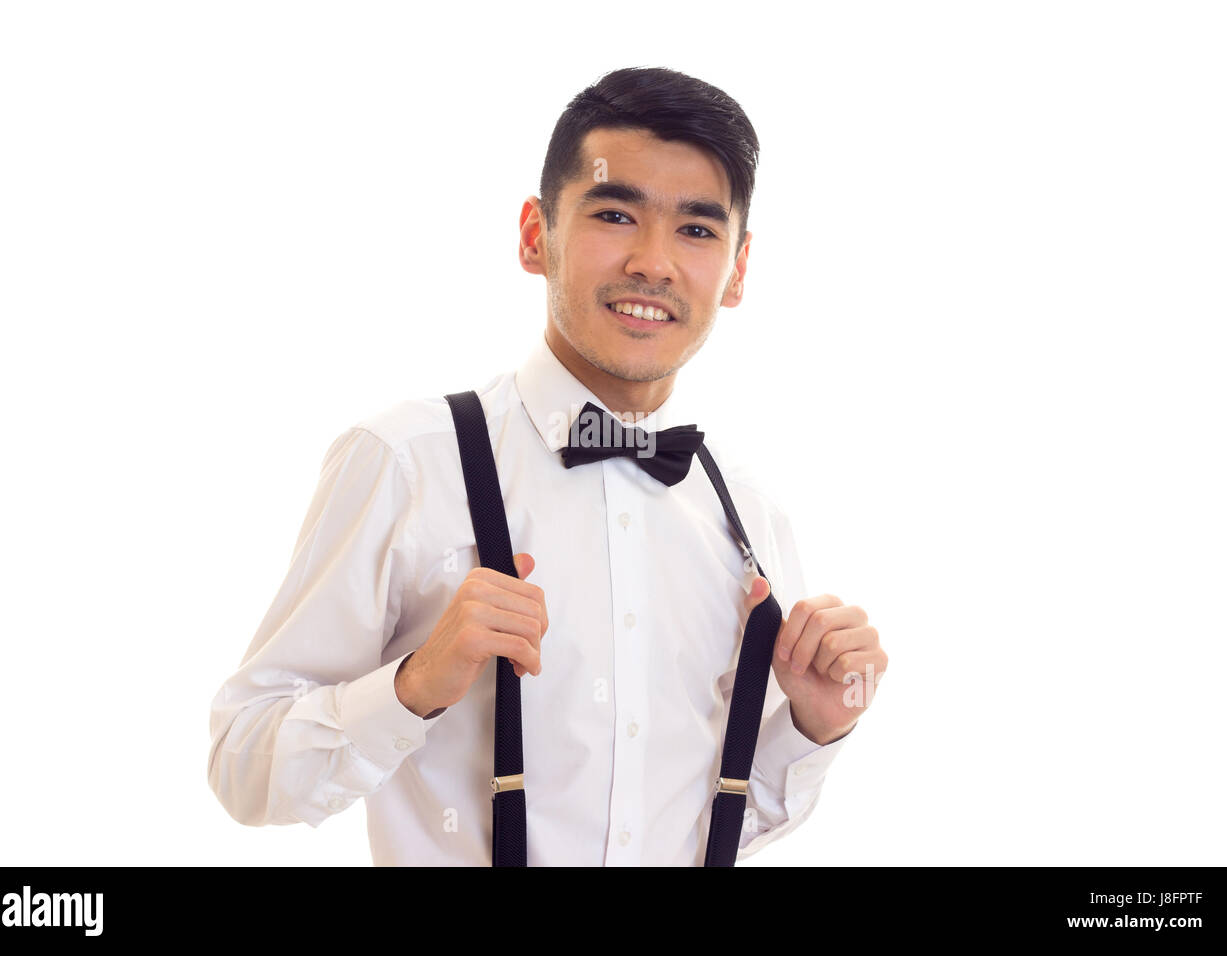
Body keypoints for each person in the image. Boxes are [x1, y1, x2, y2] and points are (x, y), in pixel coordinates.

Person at [207, 66, 888, 866]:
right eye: (614, 213)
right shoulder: (407, 462)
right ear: (537, 235)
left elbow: (711, 822)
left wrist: (813, 725)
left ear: (737, 270)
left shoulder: (748, 512)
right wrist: (414, 685)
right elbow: (242, 767)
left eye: (697, 230)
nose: (653, 263)